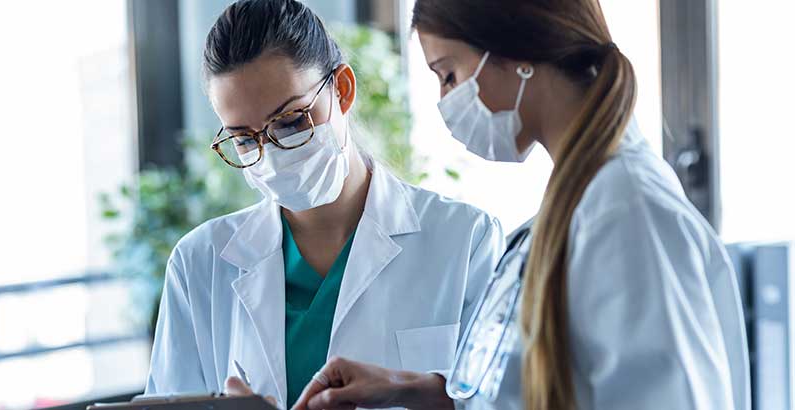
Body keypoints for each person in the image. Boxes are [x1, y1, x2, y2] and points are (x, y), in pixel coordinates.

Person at [291, 0, 750, 409]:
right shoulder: (578, 203)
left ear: (517, 53)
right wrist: (412, 388)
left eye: (449, 74)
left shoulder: (626, 213)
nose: (445, 100)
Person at [143, 1, 507, 409]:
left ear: (343, 90)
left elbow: (512, 399)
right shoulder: (200, 264)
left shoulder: (466, 240)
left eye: (292, 121)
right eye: (245, 139)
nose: (273, 153)